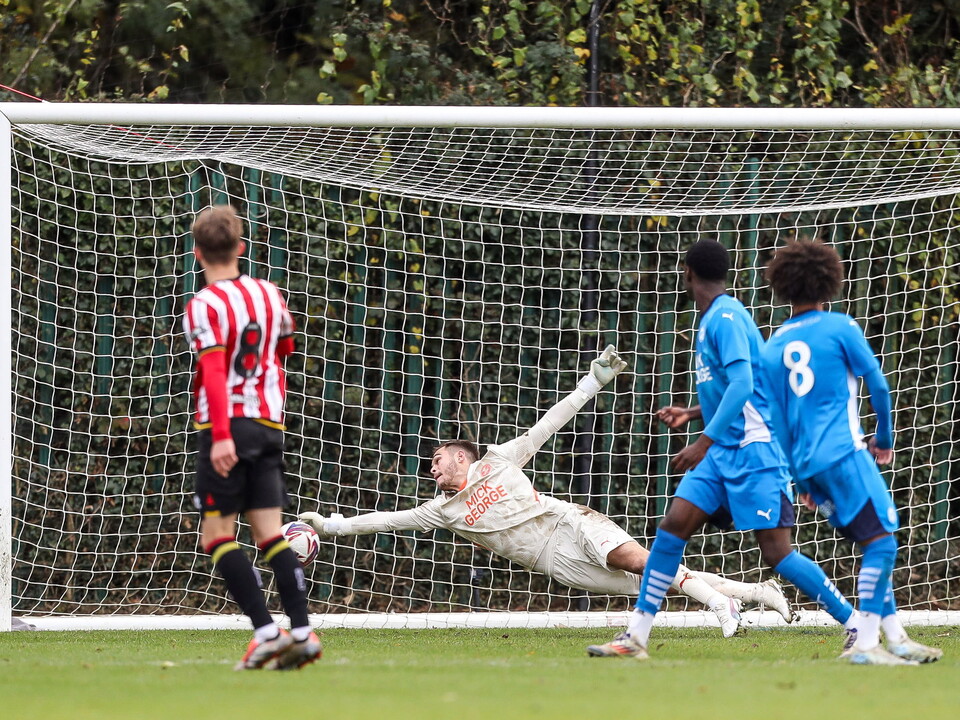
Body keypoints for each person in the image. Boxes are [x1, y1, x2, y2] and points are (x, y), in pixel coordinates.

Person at [299, 346, 793, 635]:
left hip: (569, 523)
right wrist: (331, 525)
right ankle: (756, 592)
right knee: (655, 583)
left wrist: (593, 382)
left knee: (635, 559)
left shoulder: (498, 459)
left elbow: (549, 423)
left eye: (437, 459)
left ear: (461, 456)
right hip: (556, 564)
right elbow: (387, 521)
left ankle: (721, 606)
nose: (432, 468)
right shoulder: (441, 511)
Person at [587, 239, 861, 661]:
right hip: (722, 453)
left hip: (755, 451)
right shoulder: (714, 317)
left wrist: (702, 442)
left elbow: (744, 385)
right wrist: (693, 413)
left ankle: (855, 622)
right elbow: (740, 386)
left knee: (777, 552)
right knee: (672, 528)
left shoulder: (726, 317)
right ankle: (635, 637)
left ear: (688, 272)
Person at [760, 239, 941, 664]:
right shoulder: (840, 327)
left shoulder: (772, 347)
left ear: (783, 287)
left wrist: (802, 481)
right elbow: (878, 385)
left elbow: (778, 423)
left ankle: (897, 639)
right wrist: (885, 437)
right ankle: (865, 645)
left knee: (871, 539)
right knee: (883, 544)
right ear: (829, 282)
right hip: (843, 453)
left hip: (807, 465)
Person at [183, 204, 321, 670]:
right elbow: (286, 345)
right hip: (268, 423)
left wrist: (222, 436)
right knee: (269, 533)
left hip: (227, 427)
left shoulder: (204, 304)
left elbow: (213, 369)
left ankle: (265, 632)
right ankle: (301, 632)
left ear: (198, 253)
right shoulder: (268, 293)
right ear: (241, 247)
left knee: (216, 536)